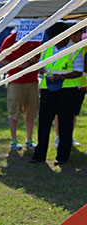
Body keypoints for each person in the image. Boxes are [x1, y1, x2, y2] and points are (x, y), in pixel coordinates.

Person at [31, 22, 83, 165]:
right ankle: (39, 155)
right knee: (44, 123)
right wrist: (41, 70)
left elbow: (79, 71)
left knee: (65, 124)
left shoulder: (75, 49)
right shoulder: (47, 49)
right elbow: (41, 66)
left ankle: (62, 157)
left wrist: (62, 77)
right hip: (48, 89)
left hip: (68, 91)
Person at [0, 32, 41, 150]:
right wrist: (18, 64)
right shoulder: (10, 39)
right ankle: (14, 140)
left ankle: (29, 139)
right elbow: (0, 60)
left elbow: (39, 57)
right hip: (15, 81)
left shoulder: (35, 38)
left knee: (31, 112)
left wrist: (34, 60)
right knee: (14, 111)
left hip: (32, 80)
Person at [53, 27, 86, 148]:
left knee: (73, 114)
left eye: (79, 34)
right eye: (75, 34)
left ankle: (69, 137)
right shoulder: (67, 47)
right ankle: (58, 137)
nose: (76, 37)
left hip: (81, 85)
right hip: (63, 85)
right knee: (59, 113)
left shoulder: (83, 45)